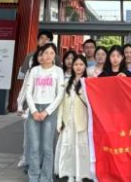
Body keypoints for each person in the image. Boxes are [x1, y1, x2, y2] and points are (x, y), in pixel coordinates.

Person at [25, 43, 65, 182]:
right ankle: (33, 177)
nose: (48, 56)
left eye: (51, 53)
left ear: (55, 56)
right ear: (41, 55)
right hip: (34, 109)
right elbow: (28, 92)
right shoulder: (34, 70)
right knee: (34, 146)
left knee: (47, 147)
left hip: (49, 110)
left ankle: (46, 178)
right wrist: (34, 111)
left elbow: (60, 94)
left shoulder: (58, 71)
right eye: (45, 53)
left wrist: (47, 111)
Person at [54, 55, 91, 182]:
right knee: (68, 146)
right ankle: (69, 173)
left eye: (81, 64)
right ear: (72, 66)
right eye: (76, 64)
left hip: (82, 120)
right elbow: (61, 104)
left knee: (81, 147)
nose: (78, 67)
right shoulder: (66, 83)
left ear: (85, 66)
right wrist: (59, 121)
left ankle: (81, 174)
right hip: (67, 120)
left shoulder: (89, 83)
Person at [17, 47, 44, 170]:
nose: (42, 57)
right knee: (28, 136)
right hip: (31, 108)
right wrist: (19, 104)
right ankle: (26, 159)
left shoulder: (54, 72)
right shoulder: (31, 72)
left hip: (46, 109)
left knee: (42, 138)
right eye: (39, 55)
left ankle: (40, 161)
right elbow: (24, 89)